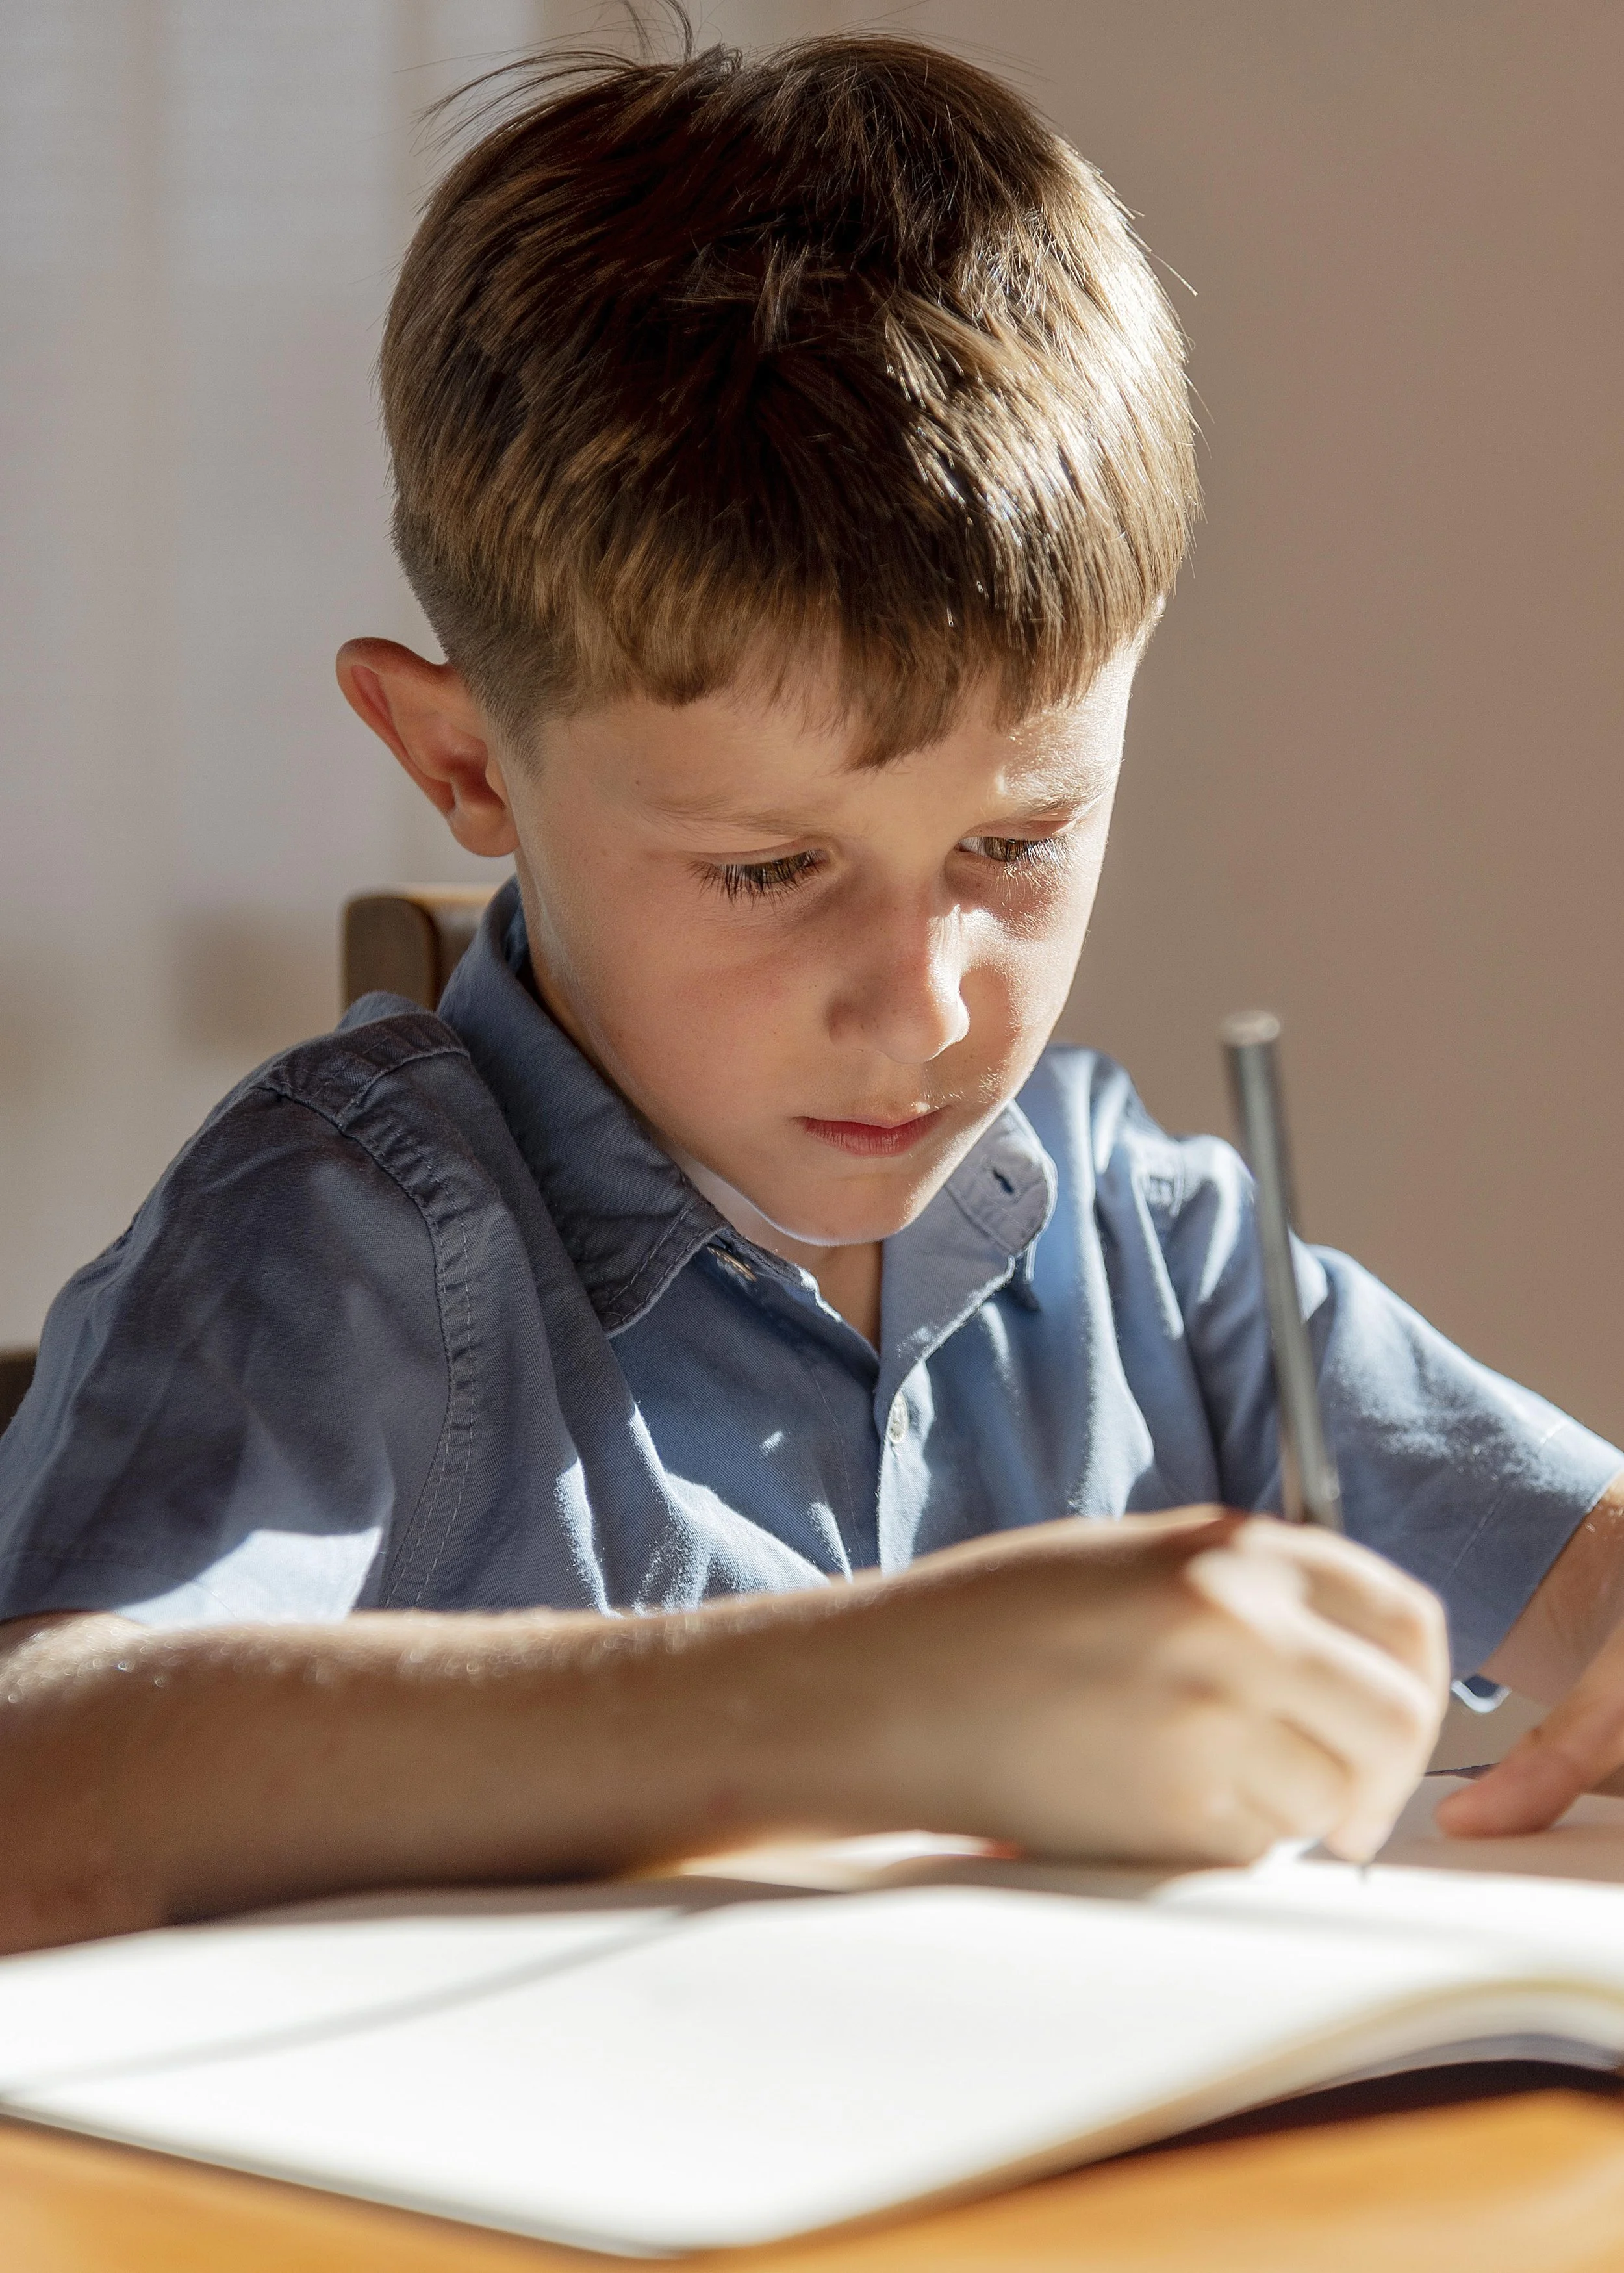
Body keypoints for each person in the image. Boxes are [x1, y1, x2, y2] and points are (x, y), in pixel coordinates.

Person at [0, 25, 1613, 1959]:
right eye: (769, 871)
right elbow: (35, 1797)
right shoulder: (345, 1243)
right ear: (465, 764)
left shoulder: (1137, 1245)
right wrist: (874, 1699)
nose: (923, 1011)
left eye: (1013, 845)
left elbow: (1587, 1581)